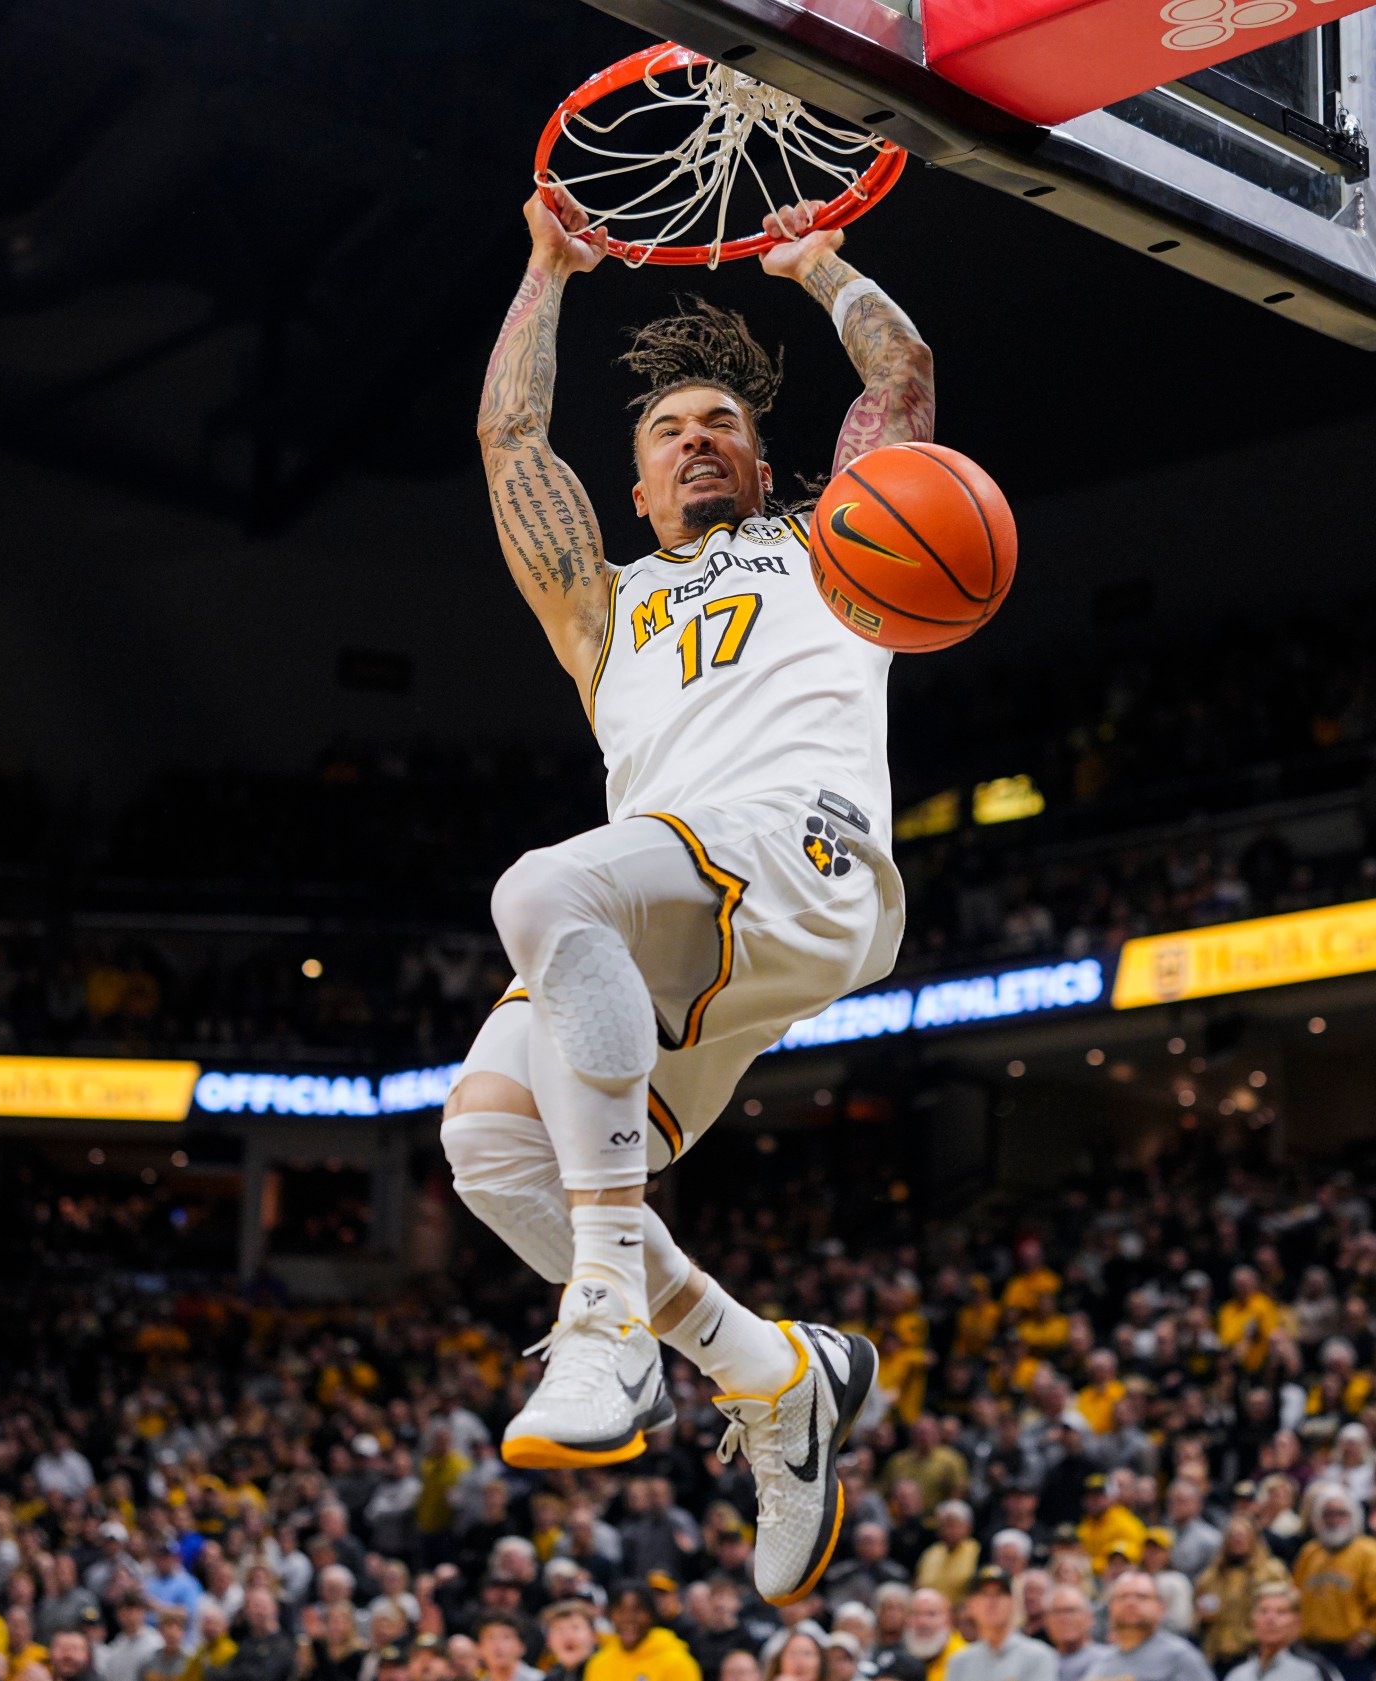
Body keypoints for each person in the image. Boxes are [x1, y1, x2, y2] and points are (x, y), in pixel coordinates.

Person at [451, 178, 933, 1608]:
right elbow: (507, 436)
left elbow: (900, 379)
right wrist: (544, 268)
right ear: (640, 486)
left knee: (544, 890)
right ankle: (772, 1373)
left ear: (762, 458)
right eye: (668, 430)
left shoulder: (837, 547)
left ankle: (603, 1315)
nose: (695, 435)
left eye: (721, 420)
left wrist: (826, 270)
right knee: (490, 1147)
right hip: (671, 925)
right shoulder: (599, 607)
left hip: (806, 855)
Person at [1294, 1488, 1376, 1681]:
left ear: (1354, 1516)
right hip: (1311, 1651)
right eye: (1327, 1513)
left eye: (1341, 1513)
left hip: (1352, 1654)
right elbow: (1294, 1599)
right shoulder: (1309, 1552)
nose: (1334, 1519)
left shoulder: (1370, 1552)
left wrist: (1368, 1637)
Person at [1196, 1518, 1294, 1670]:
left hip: (1257, 1651)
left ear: (1253, 1538)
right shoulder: (1210, 1578)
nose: (1238, 1539)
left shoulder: (1271, 1572)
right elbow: (1198, 1617)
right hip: (1218, 1654)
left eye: (1242, 1535)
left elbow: (1290, 1609)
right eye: (1233, 1535)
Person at [1087, 1575, 1211, 1681]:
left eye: (1142, 1596)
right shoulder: (1100, 1663)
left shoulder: (1179, 1658)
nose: (1131, 1602)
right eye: (1122, 1597)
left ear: (1160, 1608)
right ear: (1111, 1608)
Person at [945, 1570, 1053, 1681]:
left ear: (1014, 1602)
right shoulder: (959, 1663)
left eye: (1000, 1593)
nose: (992, 1601)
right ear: (970, 1604)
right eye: (984, 1594)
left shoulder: (1038, 1656)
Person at [1225, 1589, 1341, 1681]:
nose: (1270, 1619)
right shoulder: (1238, 1674)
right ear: (1252, 1621)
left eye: (1281, 1612)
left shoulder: (1313, 1670)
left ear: (1297, 1622)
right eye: (1263, 1611)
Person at [587, 1587, 699, 1681]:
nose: (628, 1618)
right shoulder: (599, 1662)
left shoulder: (677, 1662)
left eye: (637, 1611)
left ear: (651, 1615)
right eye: (620, 1611)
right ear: (610, 1616)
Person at [1040, 1586, 1110, 1681]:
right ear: (1046, 1620)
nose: (1064, 1618)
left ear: (1090, 1617)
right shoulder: (1038, 1662)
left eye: (1071, 1610)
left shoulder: (1109, 1660)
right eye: (1057, 1612)